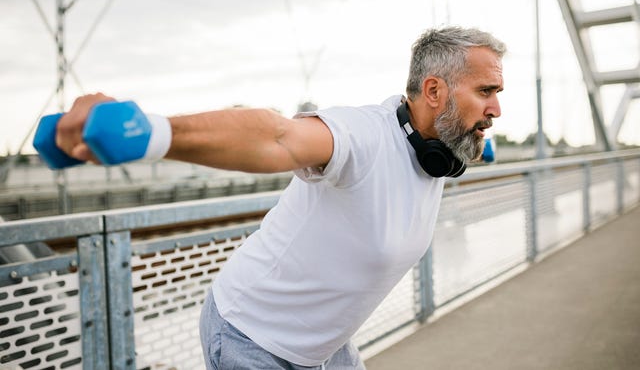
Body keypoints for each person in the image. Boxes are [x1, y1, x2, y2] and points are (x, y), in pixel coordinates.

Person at [55, 25, 506, 369]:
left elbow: (465, 141)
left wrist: (477, 141)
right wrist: (151, 132)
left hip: (325, 345)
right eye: (486, 92)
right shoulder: (362, 135)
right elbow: (278, 138)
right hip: (252, 335)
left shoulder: (441, 147)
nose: (497, 109)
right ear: (433, 91)